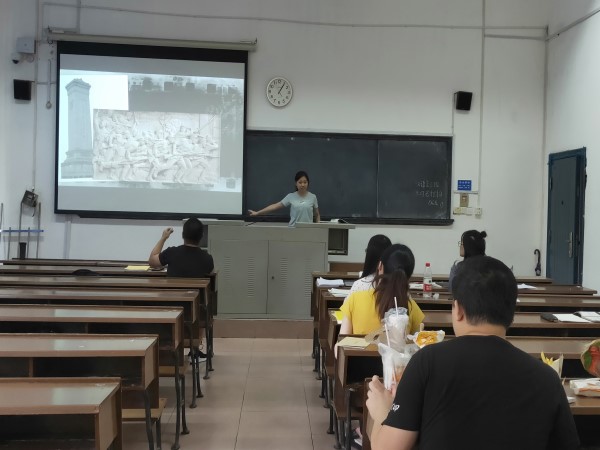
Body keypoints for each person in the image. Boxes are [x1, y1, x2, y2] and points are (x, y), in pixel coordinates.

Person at [366, 255, 580, 450]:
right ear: (511, 314)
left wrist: (382, 413)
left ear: (458, 310)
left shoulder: (426, 362)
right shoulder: (546, 378)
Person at [339, 244, 425, 339]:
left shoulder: (355, 299)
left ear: (380, 266)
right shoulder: (411, 307)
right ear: (408, 276)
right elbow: (419, 344)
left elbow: (341, 344)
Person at [248, 170, 320, 226]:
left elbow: (317, 215)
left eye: (305, 182)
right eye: (300, 182)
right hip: (293, 230)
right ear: (296, 183)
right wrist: (257, 213)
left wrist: (318, 228)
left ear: (308, 183)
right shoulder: (291, 196)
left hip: (308, 231)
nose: (302, 185)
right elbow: (275, 206)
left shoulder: (313, 197)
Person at [148, 217, 214, 277]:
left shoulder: (171, 253)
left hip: (174, 287)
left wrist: (163, 238)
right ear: (201, 237)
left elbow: (152, 261)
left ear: (183, 235)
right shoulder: (208, 259)